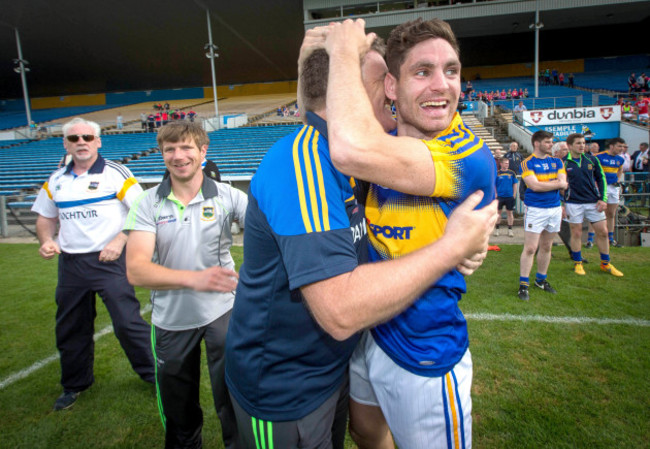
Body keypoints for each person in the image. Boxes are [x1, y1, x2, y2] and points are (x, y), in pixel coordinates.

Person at [224, 23, 497, 449]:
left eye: (451, 70)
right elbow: (339, 311)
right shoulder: (311, 161)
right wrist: (453, 247)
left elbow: (326, 120)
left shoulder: (382, 149)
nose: (392, 93)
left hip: (363, 359)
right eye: (379, 81)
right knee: (365, 432)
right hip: (288, 383)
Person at [324, 18, 497, 449]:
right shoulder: (382, 139)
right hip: (371, 330)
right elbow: (331, 122)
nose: (442, 85)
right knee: (364, 431)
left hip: (426, 349)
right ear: (391, 86)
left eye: (452, 71)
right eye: (422, 72)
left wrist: (342, 52)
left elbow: (346, 148)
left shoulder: (465, 155)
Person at [124, 122, 246, 449]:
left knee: (233, 400)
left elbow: (267, 237)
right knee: (179, 412)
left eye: (187, 147)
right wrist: (195, 278)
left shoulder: (229, 196)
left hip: (223, 312)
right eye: (170, 149)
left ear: (203, 152)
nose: (179, 156)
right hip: (171, 320)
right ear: (162, 154)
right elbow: (136, 270)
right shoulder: (147, 202)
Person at [31, 117, 155, 411]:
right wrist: (46, 240)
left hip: (109, 261)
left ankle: (157, 377)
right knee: (71, 328)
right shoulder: (56, 180)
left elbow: (142, 211)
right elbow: (45, 217)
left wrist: (120, 240)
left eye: (87, 137)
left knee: (127, 323)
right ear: (66, 144)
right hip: (71, 265)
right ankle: (75, 384)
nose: (81, 143)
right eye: (74, 139)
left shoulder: (115, 173)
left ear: (98, 141)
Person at [562, 133, 623, 277]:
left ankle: (605, 263)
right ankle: (578, 263)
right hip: (573, 203)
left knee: (603, 232)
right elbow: (560, 184)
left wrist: (603, 199)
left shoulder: (592, 159)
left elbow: (601, 179)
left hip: (592, 202)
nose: (582, 146)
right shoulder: (563, 162)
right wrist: (562, 203)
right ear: (569, 146)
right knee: (576, 233)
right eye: (578, 143)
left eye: (583, 143)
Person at [518, 130, 568, 301]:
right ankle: (523, 284)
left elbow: (564, 184)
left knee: (547, 246)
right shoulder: (527, 163)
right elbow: (534, 186)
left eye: (551, 142)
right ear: (537, 143)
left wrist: (548, 184)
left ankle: (541, 280)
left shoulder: (557, 161)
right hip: (536, 209)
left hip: (554, 208)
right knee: (531, 248)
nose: (551, 145)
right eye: (547, 142)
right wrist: (555, 184)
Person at [596, 138, 626, 247]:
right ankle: (593, 239)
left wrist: (617, 180)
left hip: (614, 188)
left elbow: (620, 170)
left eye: (622, 147)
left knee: (611, 214)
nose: (621, 149)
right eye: (619, 146)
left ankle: (611, 239)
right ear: (611, 146)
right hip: (602, 187)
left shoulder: (620, 159)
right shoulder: (599, 156)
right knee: (599, 213)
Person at [495, 158, 518, 237]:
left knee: (510, 213)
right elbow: (494, 184)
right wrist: (495, 193)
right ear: (501, 164)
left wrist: (514, 194)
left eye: (507, 163)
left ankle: (510, 230)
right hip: (500, 196)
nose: (507, 165)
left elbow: (515, 184)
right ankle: (497, 229)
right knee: (498, 214)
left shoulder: (512, 173)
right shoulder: (497, 173)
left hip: (509, 196)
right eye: (505, 163)